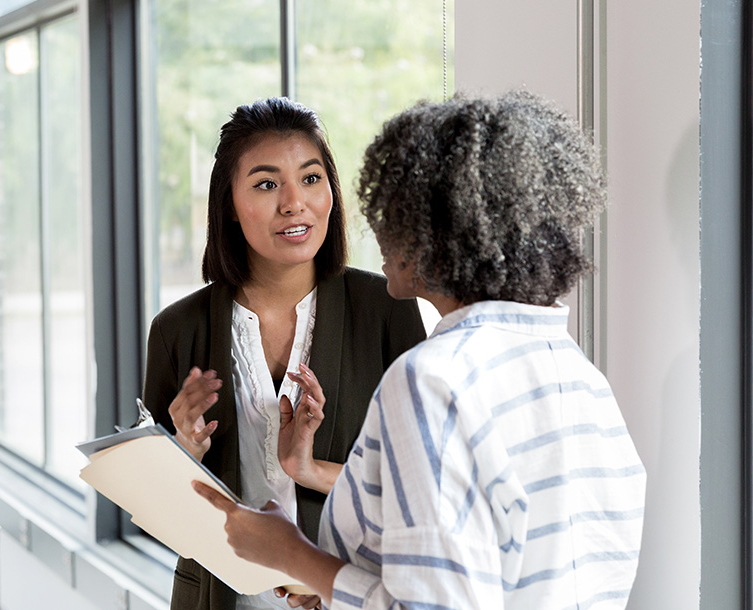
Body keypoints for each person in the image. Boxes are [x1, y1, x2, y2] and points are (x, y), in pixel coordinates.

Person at [194, 91, 647, 609]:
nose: (377, 229)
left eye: (393, 210)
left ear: (442, 231)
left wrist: (294, 555)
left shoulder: (432, 380)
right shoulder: (583, 379)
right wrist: (332, 571)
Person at [143, 97, 427, 610]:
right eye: (267, 183)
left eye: (311, 178)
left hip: (350, 591)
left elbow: (420, 484)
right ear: (229, 204)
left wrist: (313, 467)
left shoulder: (386, 309)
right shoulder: (176, 331)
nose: (295, 202)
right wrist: (185, 454)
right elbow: (160, 520)